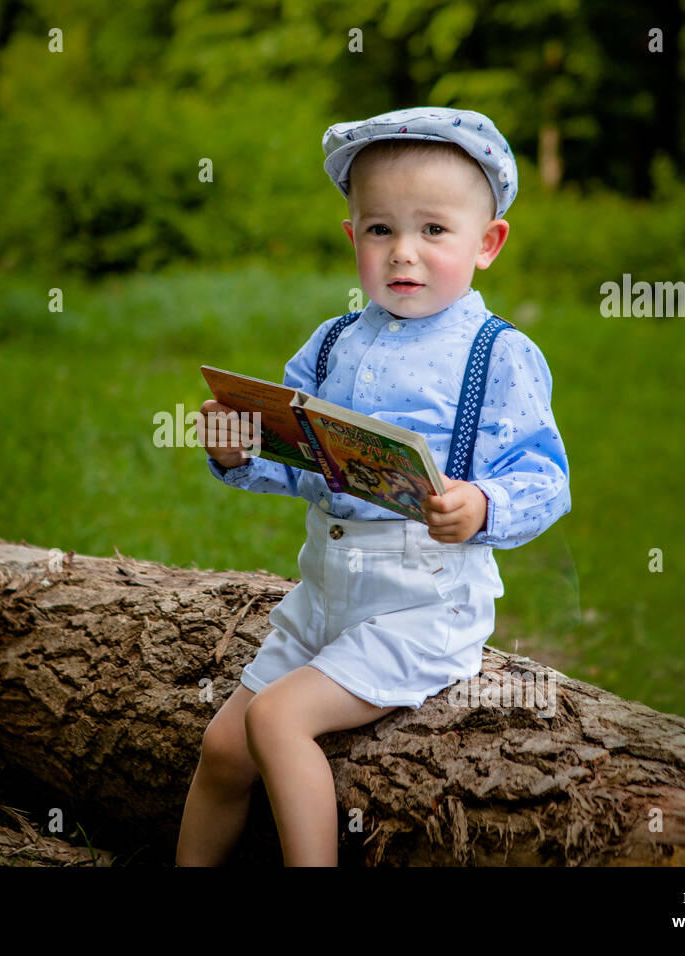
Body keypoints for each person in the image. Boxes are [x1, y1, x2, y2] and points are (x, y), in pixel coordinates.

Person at [177, 106, 570, 866]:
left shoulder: (497, 354)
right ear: (353, 236)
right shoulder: (330, 344)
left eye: (433, 231)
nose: (405, 254)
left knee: (278, 721)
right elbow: (291, 459)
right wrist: (234, 451)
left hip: (421, 605)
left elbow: (544, 476)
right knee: (224, 746)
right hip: (324, 600)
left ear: (487, 244)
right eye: (381, 230)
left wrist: (483, 504)